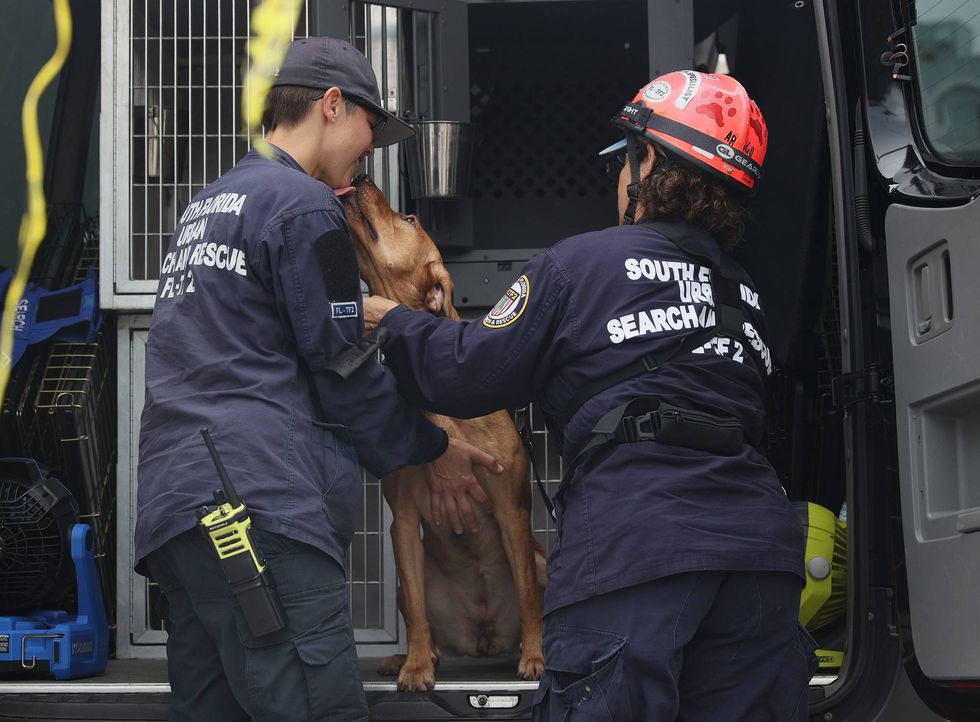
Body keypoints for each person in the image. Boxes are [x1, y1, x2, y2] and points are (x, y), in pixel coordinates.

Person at [364, 71, 817, 720]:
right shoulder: (743, 295)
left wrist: (393, 322)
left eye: (625, 160)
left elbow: (466, 376)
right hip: (760, 564)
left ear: (649, 161)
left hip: (635, 550)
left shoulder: (579, 265)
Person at [134, 36, 503, 722]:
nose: (371, 150)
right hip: (260, 511)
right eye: (370, 127)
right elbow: (343, 369)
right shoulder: (305, 208)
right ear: (332, 105)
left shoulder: (208, 205)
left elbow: (246, 336)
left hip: (177, 514)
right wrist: (431, 449)